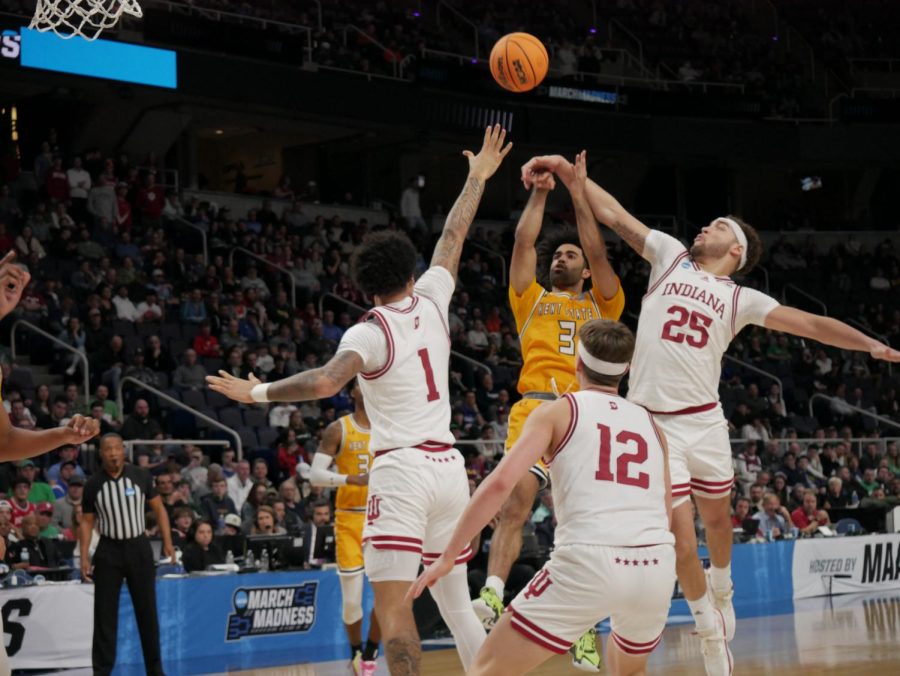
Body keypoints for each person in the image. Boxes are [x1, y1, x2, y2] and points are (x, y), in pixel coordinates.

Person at [522, 149, 900, 675]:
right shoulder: (671, 255)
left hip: (703, 420)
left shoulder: (739, 298)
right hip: (653, 425)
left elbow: (811, 325)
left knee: (717, 521)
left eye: (718, 225)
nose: (706, 226)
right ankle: (707, 629)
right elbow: (615, 216)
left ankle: (723, 591)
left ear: (736, 249)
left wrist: (871, 346)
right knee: (680, 538)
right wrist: (567, 174)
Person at [208, 124, 512, 674]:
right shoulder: (435, 297)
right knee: (456, 602)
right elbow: (452, 237)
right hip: (449, 468)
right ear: (411, 274)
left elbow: (326, 382)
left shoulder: (368, 331)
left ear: (365, 288)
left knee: (394, 610)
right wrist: (476, 178)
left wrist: (256, 391)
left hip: (400, 472)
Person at [411, 320, 675, 676]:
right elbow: (666, 510)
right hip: (655, 564)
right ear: (626, 370)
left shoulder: (558, 410)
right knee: (628, 671)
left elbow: (501, 483)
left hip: (589, 560)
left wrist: (448, 554)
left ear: (577, 365)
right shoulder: (652, 425)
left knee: (485, 669)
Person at [473, 151, 625, 671]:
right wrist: (539, 190)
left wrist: (579, 194)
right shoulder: (530, 298)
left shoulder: (602, 305)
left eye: (569, 255)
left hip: (584, 415)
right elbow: (521, 243)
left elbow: (600, 250)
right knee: (515, 504)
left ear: (584, 270)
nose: (560, 258)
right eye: (555, 254)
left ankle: (581, 627)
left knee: (575, 525)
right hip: (536, 409)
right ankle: (493, 593)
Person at [80, 433, 176, 676]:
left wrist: (168, 542)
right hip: (108, 551)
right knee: (104, 617)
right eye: (108, 449)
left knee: (148, 613)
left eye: (116, 448)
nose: (113, 453)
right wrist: (83, 557)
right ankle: (101, 672)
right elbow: (86, 523)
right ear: (101, 454)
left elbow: (159, 509)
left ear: (124, 451)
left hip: (139, 549)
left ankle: (155, 671)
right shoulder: (93, 484)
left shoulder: (141, 476)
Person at [311, 378, 381, 674]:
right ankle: (355, 650)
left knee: (387, 594)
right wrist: (349, 479)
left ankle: (371, 651)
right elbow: (315, 475)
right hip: (349, 517)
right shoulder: (338, 428)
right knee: (352, 602)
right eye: (361, 383)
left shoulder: (390, 425)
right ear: (352, 391)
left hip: (384, 516)